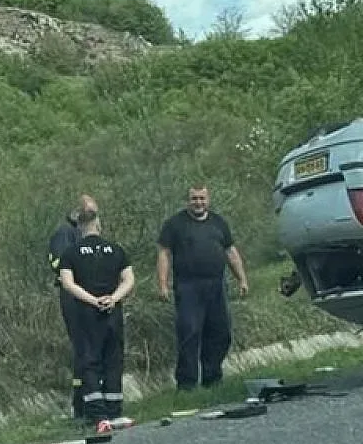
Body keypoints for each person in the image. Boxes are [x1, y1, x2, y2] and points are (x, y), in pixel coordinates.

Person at [156, 184, 249, 391]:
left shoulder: (218, 222)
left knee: (220, 332)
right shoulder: (175, 224)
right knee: (189, 333)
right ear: (187, 201)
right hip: (188, 286)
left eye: (202, 199)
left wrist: (242, 279)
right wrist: (163, 284)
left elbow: (231, 252)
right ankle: (187, 384)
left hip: (216, 285)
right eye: (194, 199)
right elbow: (164, 253)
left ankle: (212, 378)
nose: (198, 203)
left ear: (208, 200)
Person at [58, 206, 135, 431]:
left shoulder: (70, 252)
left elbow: (68, 283)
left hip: (85, 313)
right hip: (112, 312)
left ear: (79, 227)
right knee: (113, 359)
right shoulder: (115, 249)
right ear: (98, 223)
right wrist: (113, 298)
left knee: (89, 360)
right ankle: (115, 411)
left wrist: (93, 300)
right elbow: (129, 279)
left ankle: (97, 415)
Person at [47, 194, 99, 419]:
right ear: (78, 212)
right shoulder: (64, 233)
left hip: (93, 295)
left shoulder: (88, 234)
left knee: (95, 348)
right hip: (73, 296)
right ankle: (81, 404)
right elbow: (57, 263)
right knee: (82, 348)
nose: (94, 217)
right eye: (90, 212)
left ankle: (94, 397)